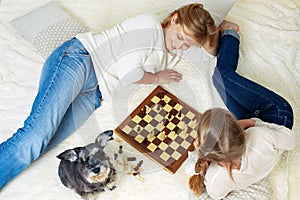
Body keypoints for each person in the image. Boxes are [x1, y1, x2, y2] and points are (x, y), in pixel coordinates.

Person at [0, 3, 218, 189]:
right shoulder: (149, 25)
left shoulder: (172, 53)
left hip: (94, 93)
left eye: (187, 44)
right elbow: (129, 72)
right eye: (180, 36)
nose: (180, 45)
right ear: (174, 18)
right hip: (81, 60)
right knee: (36, 136)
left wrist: (218, 30)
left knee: (43, 144)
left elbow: (210, 56)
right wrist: (156, 77)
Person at [189, 22, 296, 199]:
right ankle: (230, 32)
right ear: (240, 130)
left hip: (245, 134)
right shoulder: (259, 136)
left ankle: (227, 38)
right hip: (276, 114)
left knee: (219, 79)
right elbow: (290, 140)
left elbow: (216, 195)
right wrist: (254, 124)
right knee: (222, 75)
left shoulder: (217, 179)